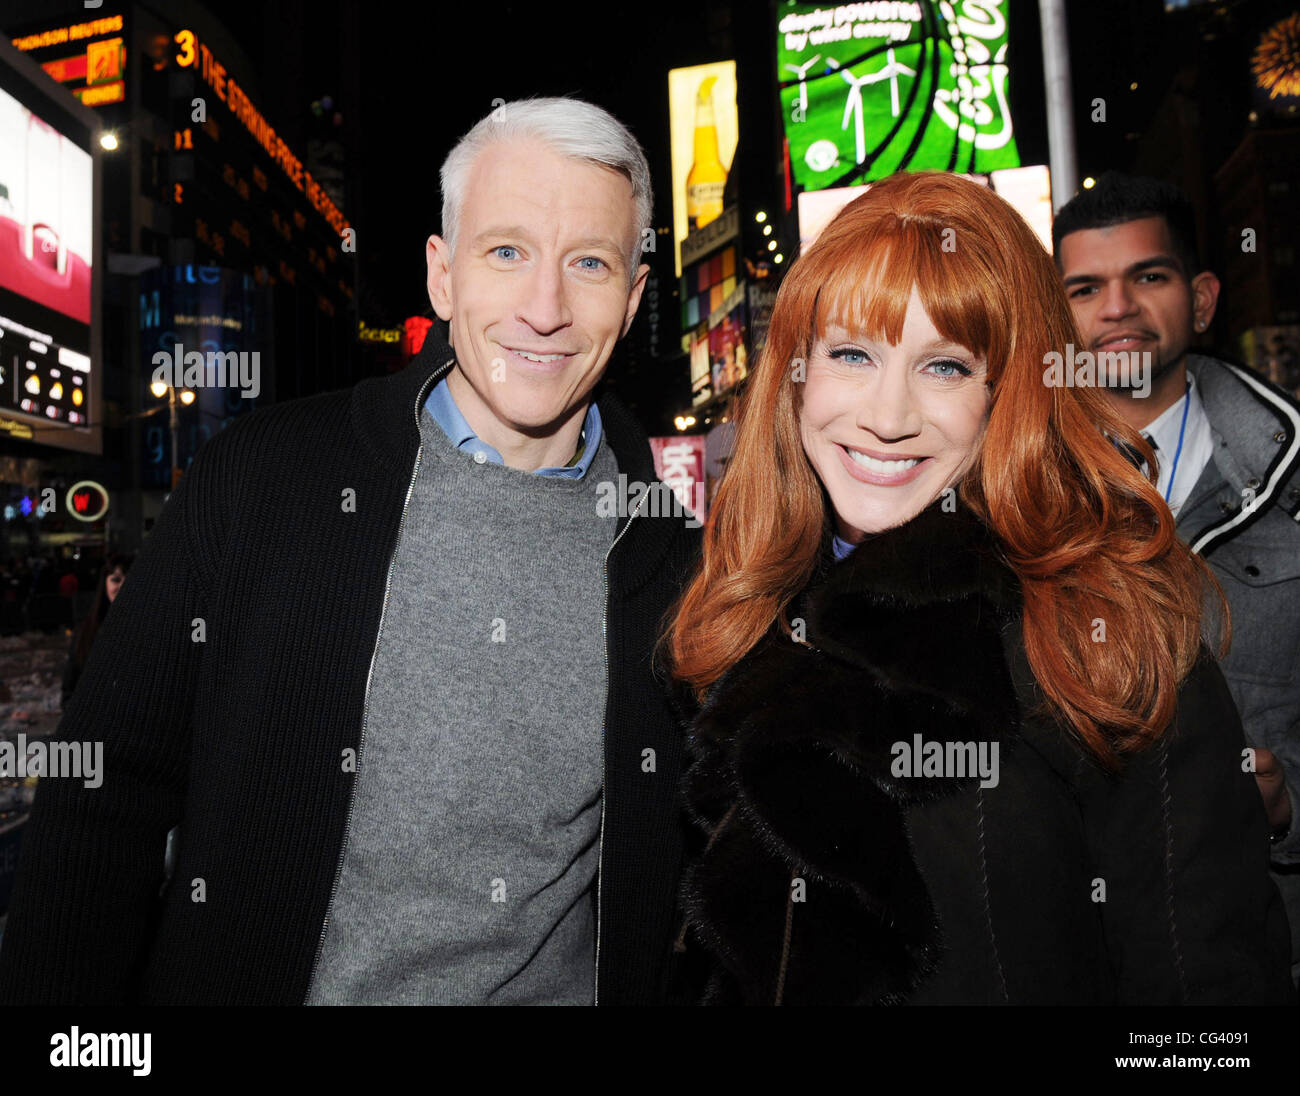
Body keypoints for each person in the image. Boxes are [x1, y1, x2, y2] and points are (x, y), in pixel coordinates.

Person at [0, 97, 700, 1005]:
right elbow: (102, 803)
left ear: (634, 296)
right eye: (506, 252)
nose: (545, 307)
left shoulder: (674, 560)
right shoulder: (262, 478)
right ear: (442, 278)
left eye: (591, 263)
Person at [664, 171, 1292, 1004]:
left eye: (946, 367)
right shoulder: (741, 616)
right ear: (796, 375)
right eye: (853, 354)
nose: (888, 415)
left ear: (1012, 396)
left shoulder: (1108, 642)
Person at [1054, 172, 1300, 985]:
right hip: (1072, 952)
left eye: (1147, 277)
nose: (1117, 307)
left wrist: (1288, 802)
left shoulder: (1291, 480)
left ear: (1201, 299)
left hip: (1256, 950)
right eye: (1085, 288)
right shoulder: (1005, 495)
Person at [61, 553, 132, 706]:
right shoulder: (86, 633)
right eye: (116, 579)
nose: (123, 586)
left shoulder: (151, 630)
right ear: (105, 584)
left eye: (130, 580)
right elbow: (69, 690)